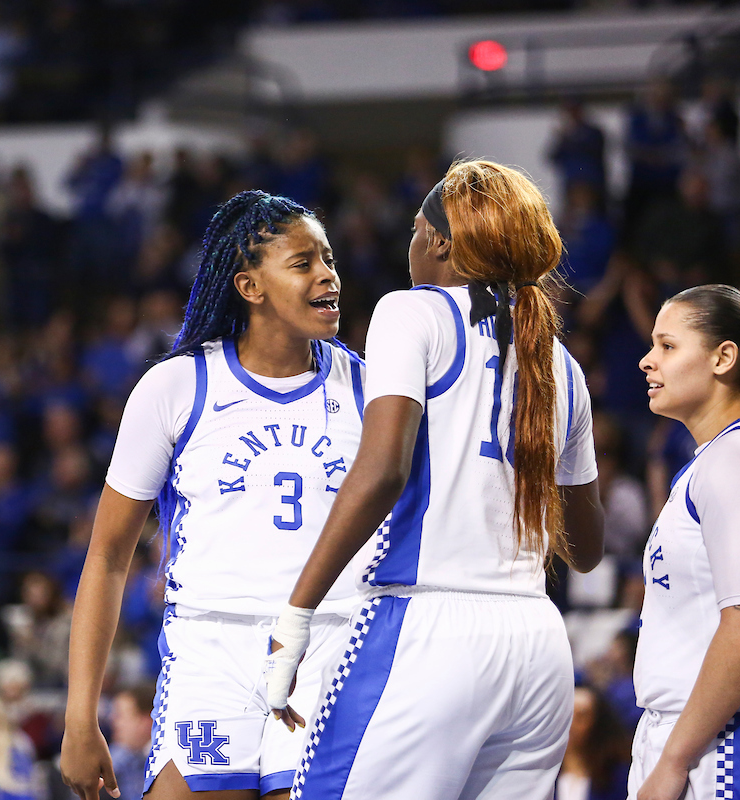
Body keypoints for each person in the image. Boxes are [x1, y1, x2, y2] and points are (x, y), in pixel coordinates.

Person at [265, 159, 605, 799]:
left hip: (428, 632)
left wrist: (298, 609)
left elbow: (384, 469)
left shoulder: (410, 313)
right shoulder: (562, 363)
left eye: (418, 228)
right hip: (538, 645)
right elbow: (586, 550)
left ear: (442, 243)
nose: (411, 241)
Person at [61, 190, 367, 800]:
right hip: (211, 649)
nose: (328, 273)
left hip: (329, 647)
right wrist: (79, 713)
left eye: (328, 259)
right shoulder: (177, 385)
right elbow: (108, 556)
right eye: (303, 262)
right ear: (249, 286)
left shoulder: (369, 383)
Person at [630, 284, 740, 800]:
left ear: (723, 357)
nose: (646, 361)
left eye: (667, 346)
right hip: (700, 736)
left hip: (730, 747)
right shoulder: (715, 460)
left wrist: (674, 760)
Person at [554, 685, 631, 800]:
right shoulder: (543, 775)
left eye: (581, 716)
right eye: (565, 715)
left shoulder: (618, 776)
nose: (571, 724)